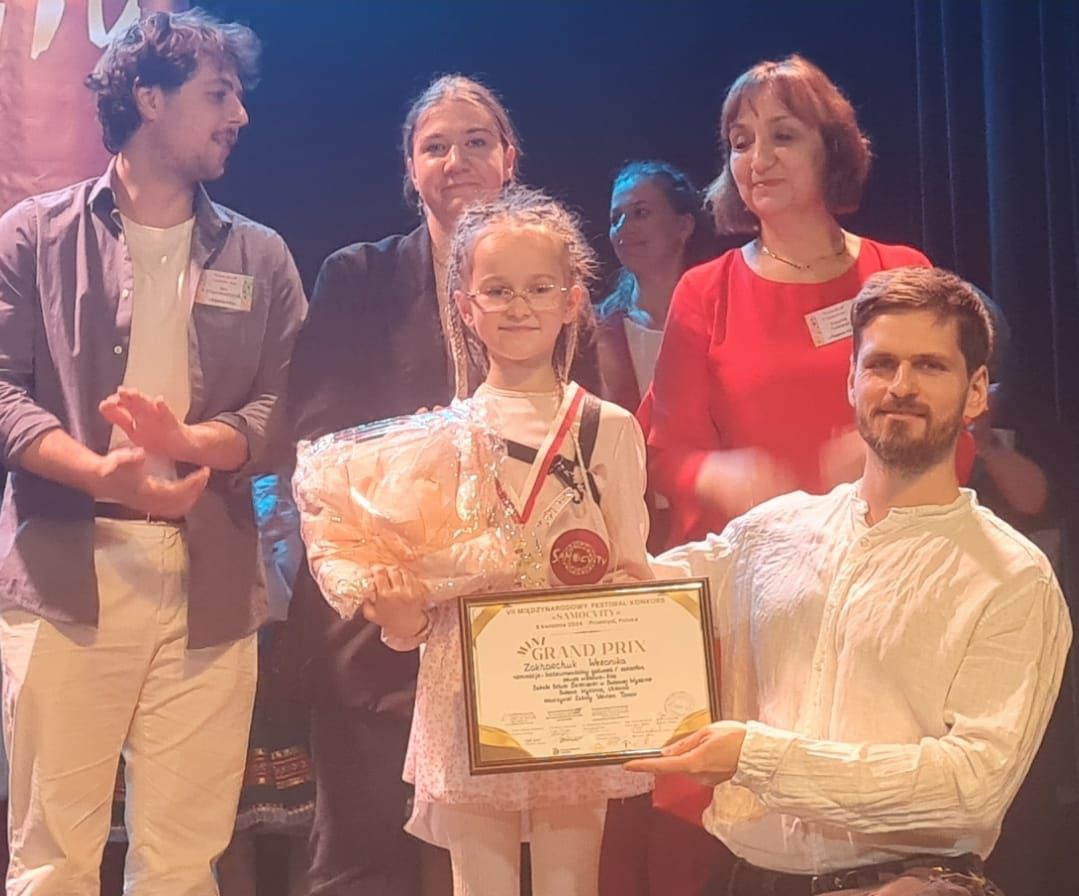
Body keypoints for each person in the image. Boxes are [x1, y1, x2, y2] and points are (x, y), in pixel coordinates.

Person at [628, 266, 1072, 896]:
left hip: (909, 885)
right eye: (882, 364)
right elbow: (629, 598)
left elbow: (969, 787)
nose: (901, 386)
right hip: (743, 879)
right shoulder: (769, 534)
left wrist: (755, 757)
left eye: (930, 366)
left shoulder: (1011, 576)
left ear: (976, 392)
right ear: (852, 381)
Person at [0, 8, 306, 895]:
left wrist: (189, 443)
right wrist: (101, 472)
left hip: (211, 575)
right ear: (147, 98)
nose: (239, 115)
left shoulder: (261, 254)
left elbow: (282, 407)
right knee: (52, 860)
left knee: (181, 860)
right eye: (218, 94)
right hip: (67, 571)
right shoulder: (32, 236)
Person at [284, 75, 601, 895]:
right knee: (364, 855)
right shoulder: (356, 275)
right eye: (434, 146)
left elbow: (587, 445)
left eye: (475, 142)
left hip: (517, 621)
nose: (455, 160)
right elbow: (319, 439)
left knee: (519, 861)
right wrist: (427, 500)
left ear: (509, 159)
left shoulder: (558, 282)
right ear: (409, 167)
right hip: (383, 610)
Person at [641, 53, 938, 896]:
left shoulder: (897, 272)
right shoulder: (704, 292)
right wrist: (723, 472)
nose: (757, 159)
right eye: (740, 142)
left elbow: (955, 433)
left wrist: (894, 460)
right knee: (740, 833)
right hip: (757, 599)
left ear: (829, 148)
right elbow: (666, 450)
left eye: (782, 136)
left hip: (881, 587)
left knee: (869, 823)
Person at [335, 186, 652, 896]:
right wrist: (397, 615)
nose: (519, 307)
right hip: (465, 693)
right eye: (498, 290)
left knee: (572, 884)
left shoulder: (608, 428)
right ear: (464, 305)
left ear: (573, 301)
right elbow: (417, 608)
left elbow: (632, 572)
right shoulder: (434, 441)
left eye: (539, 288)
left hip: (574, 687)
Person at [595, 160, 711, 413]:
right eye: (616, 218)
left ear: (683, 226)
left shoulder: (721, 319)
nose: (623, 227)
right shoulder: (597, 331)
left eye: (640, 213)